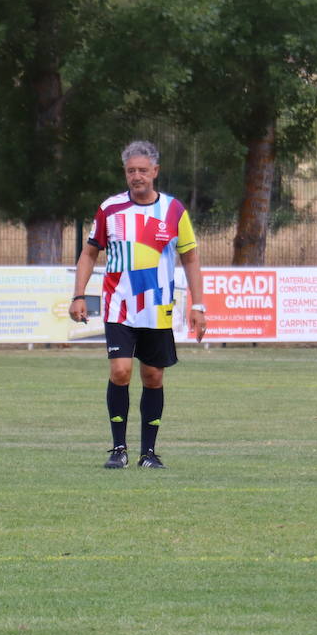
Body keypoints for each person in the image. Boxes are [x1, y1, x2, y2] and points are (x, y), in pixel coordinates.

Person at [69, 140, 207, 470]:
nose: (137, 176)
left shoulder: (174, 211)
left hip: (157, 308)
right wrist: (78, 294)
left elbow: (190, 258)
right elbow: (90, 253)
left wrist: (198, 305)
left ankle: (149, 453)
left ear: (155, 172)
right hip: (119, 304)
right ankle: (118, 448)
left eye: (143, 170)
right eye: (131, 171)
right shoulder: (110, 209)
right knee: (120, 371)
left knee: (153, 377)